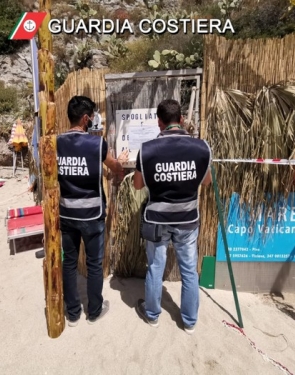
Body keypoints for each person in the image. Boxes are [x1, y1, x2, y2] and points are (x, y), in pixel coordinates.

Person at [133, 99, 212, 335]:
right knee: (189, 270)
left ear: (159, 122)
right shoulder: (201, 147)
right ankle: (189, 321)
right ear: (182, 120)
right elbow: (206, 181)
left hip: (157, 220)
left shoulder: (147, 150)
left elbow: (138, 185)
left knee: (156, 267)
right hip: (188, 219)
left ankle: (153, 315)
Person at [57, 95, 126, 327]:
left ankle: (73, 313)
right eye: (93, 116)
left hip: (66, 214)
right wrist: (121, 163)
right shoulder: (97, 144)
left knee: (69, 263)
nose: (94, 120)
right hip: (93, 215)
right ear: (86, 118)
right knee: (95, 264)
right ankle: (94, 311)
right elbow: (114, 166)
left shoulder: (56, 142)